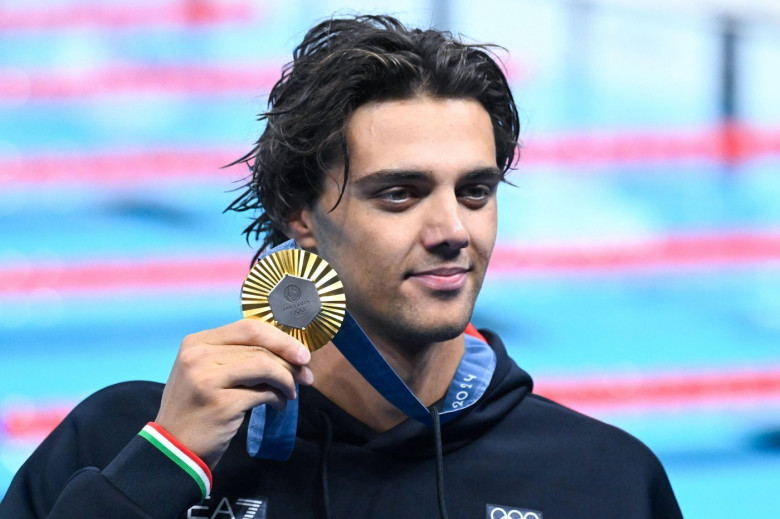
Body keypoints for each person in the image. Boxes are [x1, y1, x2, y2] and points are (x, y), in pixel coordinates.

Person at [0, 14, 683, 519]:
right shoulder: (117, 441)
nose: (451, 231)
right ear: (302, 211)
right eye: (399, 193)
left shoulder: (602, 480)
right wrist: (162, 465)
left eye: (474, 191)